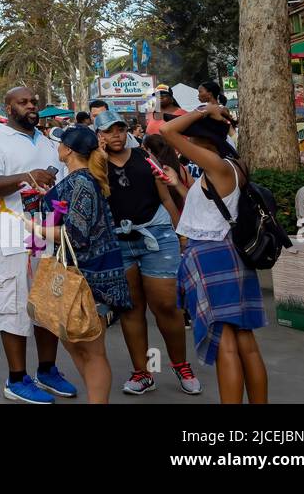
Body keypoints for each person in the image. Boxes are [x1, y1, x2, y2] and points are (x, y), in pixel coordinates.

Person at [0, 86, 77, 404]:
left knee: (47, 306)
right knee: (13, 305)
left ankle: (47, 371)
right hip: (10, 235)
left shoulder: (49, 143)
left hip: (46, 236)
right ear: (9, 108)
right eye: (24, 102)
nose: (32, 106)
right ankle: (16, 379)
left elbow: (59, 186)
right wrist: (27, 177)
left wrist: (58, 220)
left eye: (34, 101)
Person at [162, 106, 268, 404]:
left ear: (201, 138)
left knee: (226, 344)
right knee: (244, 340)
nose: (186, 140)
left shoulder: (216, 164)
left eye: (191, 137)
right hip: (230, 253)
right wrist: (179, 186)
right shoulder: (232, 166)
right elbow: (211, 207)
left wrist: (204, 110)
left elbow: (166, 131)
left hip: (212, 256)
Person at [95, 109, 199, 395]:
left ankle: (180, 365)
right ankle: (142, 373)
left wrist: (182, 234)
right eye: (107, 131)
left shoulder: (144, 158)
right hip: (119, 241)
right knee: (131, 309)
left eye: (119, 129)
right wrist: (100, 160)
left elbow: (166, 197)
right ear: (99, 136)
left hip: (157, 236)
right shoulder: (96, 165)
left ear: (126, 130)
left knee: (166, 305)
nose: (115, 135)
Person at [26, 125, 132, 403]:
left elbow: (76, 234)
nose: (57, 146)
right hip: (79, 274)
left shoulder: (83, 182)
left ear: (69, 150)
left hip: (90, 279)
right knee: (74, 344)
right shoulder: (78, 180)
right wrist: (47, 198)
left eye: (60, 143)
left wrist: (32, 227)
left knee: (92, 351)